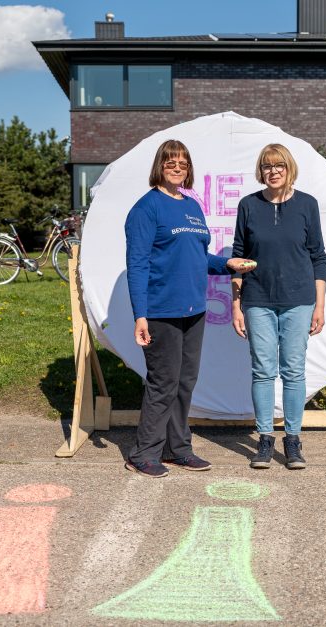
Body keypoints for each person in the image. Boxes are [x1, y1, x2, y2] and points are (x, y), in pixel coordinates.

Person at [125, 139, 254, 478]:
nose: (177, 166)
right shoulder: (146, 208)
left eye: (182, 162)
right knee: (162, 382)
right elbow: (137, 264)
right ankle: (143, 453)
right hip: (161, 311)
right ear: (160, 166)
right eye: (171, 161)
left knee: (185, 382)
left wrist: (228, 264)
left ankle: (177, 449)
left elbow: (199, 257)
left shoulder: (192, 207)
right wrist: (140, 314)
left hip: (194, 309)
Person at [231, 143, 326, 470]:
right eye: (268, 166)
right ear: (262, 171)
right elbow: (238, 258)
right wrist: (236, 304)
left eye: (279, 166)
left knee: (293, 371)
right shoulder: (248, 205)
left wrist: (320, 305)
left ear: (289, 169)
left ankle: (294, 440)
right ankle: (264, 439)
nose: (274, 171)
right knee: (262, 370)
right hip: (257, 300)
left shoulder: (307, 205)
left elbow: (318, 257)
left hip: (299, 300)